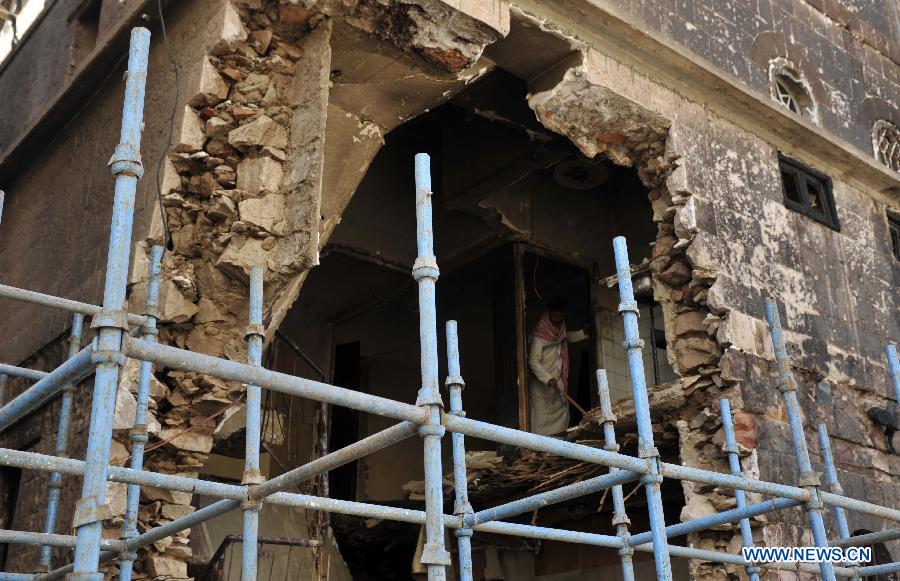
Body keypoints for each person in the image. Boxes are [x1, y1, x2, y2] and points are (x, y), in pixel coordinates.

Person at [528, 297, 588, 436]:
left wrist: (583, 333)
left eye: (560, 316)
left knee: (562, 417)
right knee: (540, 422)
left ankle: (557, 450)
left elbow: (566, 337)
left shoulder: (560, 329)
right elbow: (532, 361)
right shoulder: (540, 334)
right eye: (554, 315)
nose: (557, 319)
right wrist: (548, 379)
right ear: (548, 313)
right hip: (542, 386)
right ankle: (538, 451)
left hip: (557, 383)